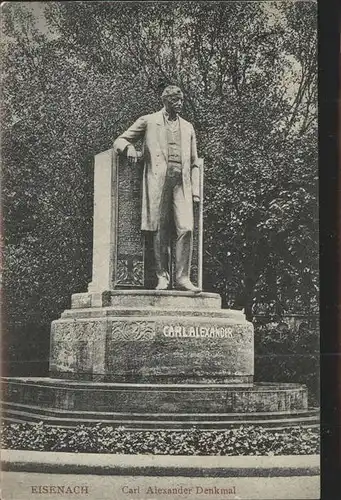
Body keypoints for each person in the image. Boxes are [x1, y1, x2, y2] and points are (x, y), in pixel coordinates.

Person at [114, 85, 201, 292]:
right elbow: (120, 139)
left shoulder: (188, 127)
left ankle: (183, 278)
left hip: (182, 183)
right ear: (166, 102)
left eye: (180, 100)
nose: (179, 104)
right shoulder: (148, 121)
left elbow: (195, 161)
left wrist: (196, 191)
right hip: (158, 183)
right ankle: (163, 277)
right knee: (159, 231)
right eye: (174, 101)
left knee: (186, 228)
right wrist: (129, 149)